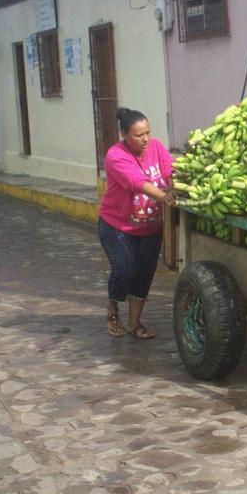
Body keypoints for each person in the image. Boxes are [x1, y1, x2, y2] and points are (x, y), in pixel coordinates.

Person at [98, 107, 175, 339]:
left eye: (147, 133)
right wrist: (164, 196)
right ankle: (113, 308)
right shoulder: (115, 156)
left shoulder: (157, 147)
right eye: (138, 135)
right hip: (117, 226)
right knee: (124, 269)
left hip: (150, 228)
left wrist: (175, 186)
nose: (145, 139)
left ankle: (134, 323)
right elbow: (136, 182)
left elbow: (169, 171)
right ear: (124, 134)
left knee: (144, 274)